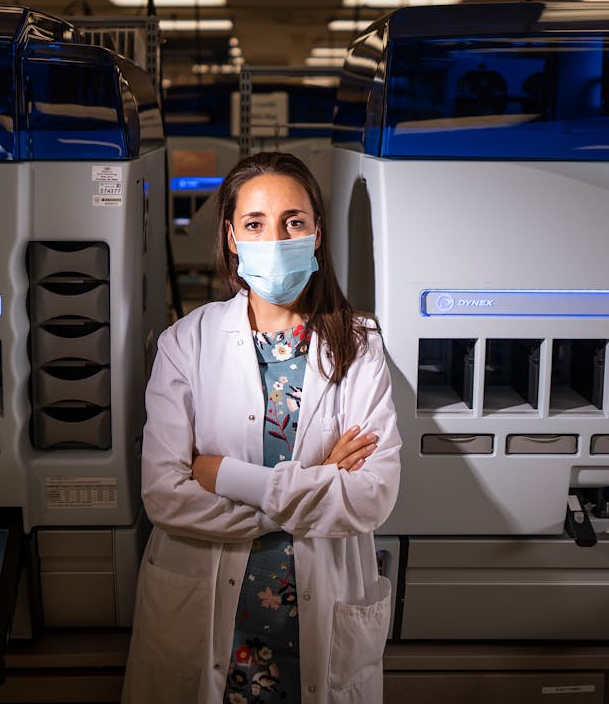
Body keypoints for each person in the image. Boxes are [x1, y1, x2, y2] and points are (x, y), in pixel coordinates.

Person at [122, 152, 401, 704]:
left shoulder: (360, 343)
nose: (274, 239)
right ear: (230, 236)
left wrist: (223, 474)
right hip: (204, 621)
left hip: (317, 627)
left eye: (293, 222)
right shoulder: (187, 342)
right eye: (255, 224)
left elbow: (371, 498)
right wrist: (319, 478)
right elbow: (164, 497)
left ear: (317, 233)